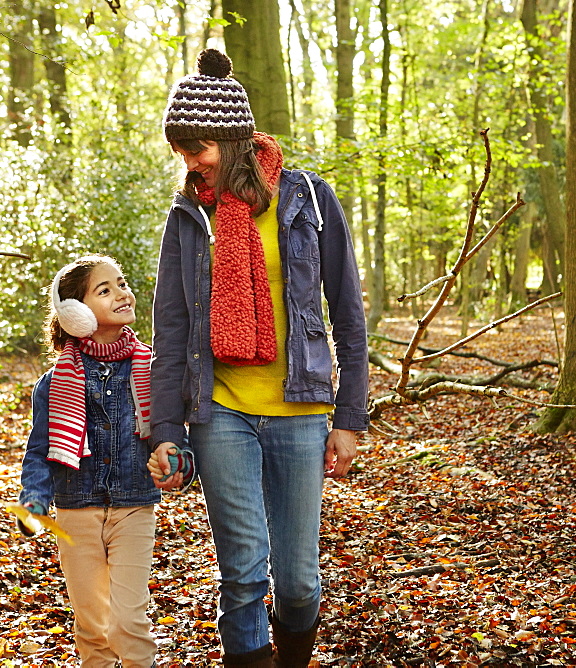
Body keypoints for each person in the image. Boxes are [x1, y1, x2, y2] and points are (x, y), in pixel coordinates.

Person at [148, 49, 370, 668]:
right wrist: (166, 430)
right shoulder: (189, 216)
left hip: (300, 408)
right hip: (220, 411)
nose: (191, 164)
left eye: (200, 148)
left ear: (233, 139)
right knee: (243, 573)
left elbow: (348, 317)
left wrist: (350, 418)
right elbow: (171, 333)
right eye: (183, 152)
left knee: (299, 582)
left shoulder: (309, 200)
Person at [19, 255, 189, 668]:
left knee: (128, 620)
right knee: (92, 626)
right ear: (74, 312)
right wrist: (34, 499)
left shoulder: (151, 369)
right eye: (105, 289)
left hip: (134, 507)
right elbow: (40, 448)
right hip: (77, 512)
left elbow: (174, 435)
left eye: (122, 283)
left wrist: (176, 463)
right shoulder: (55, 381)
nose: (121, 293)